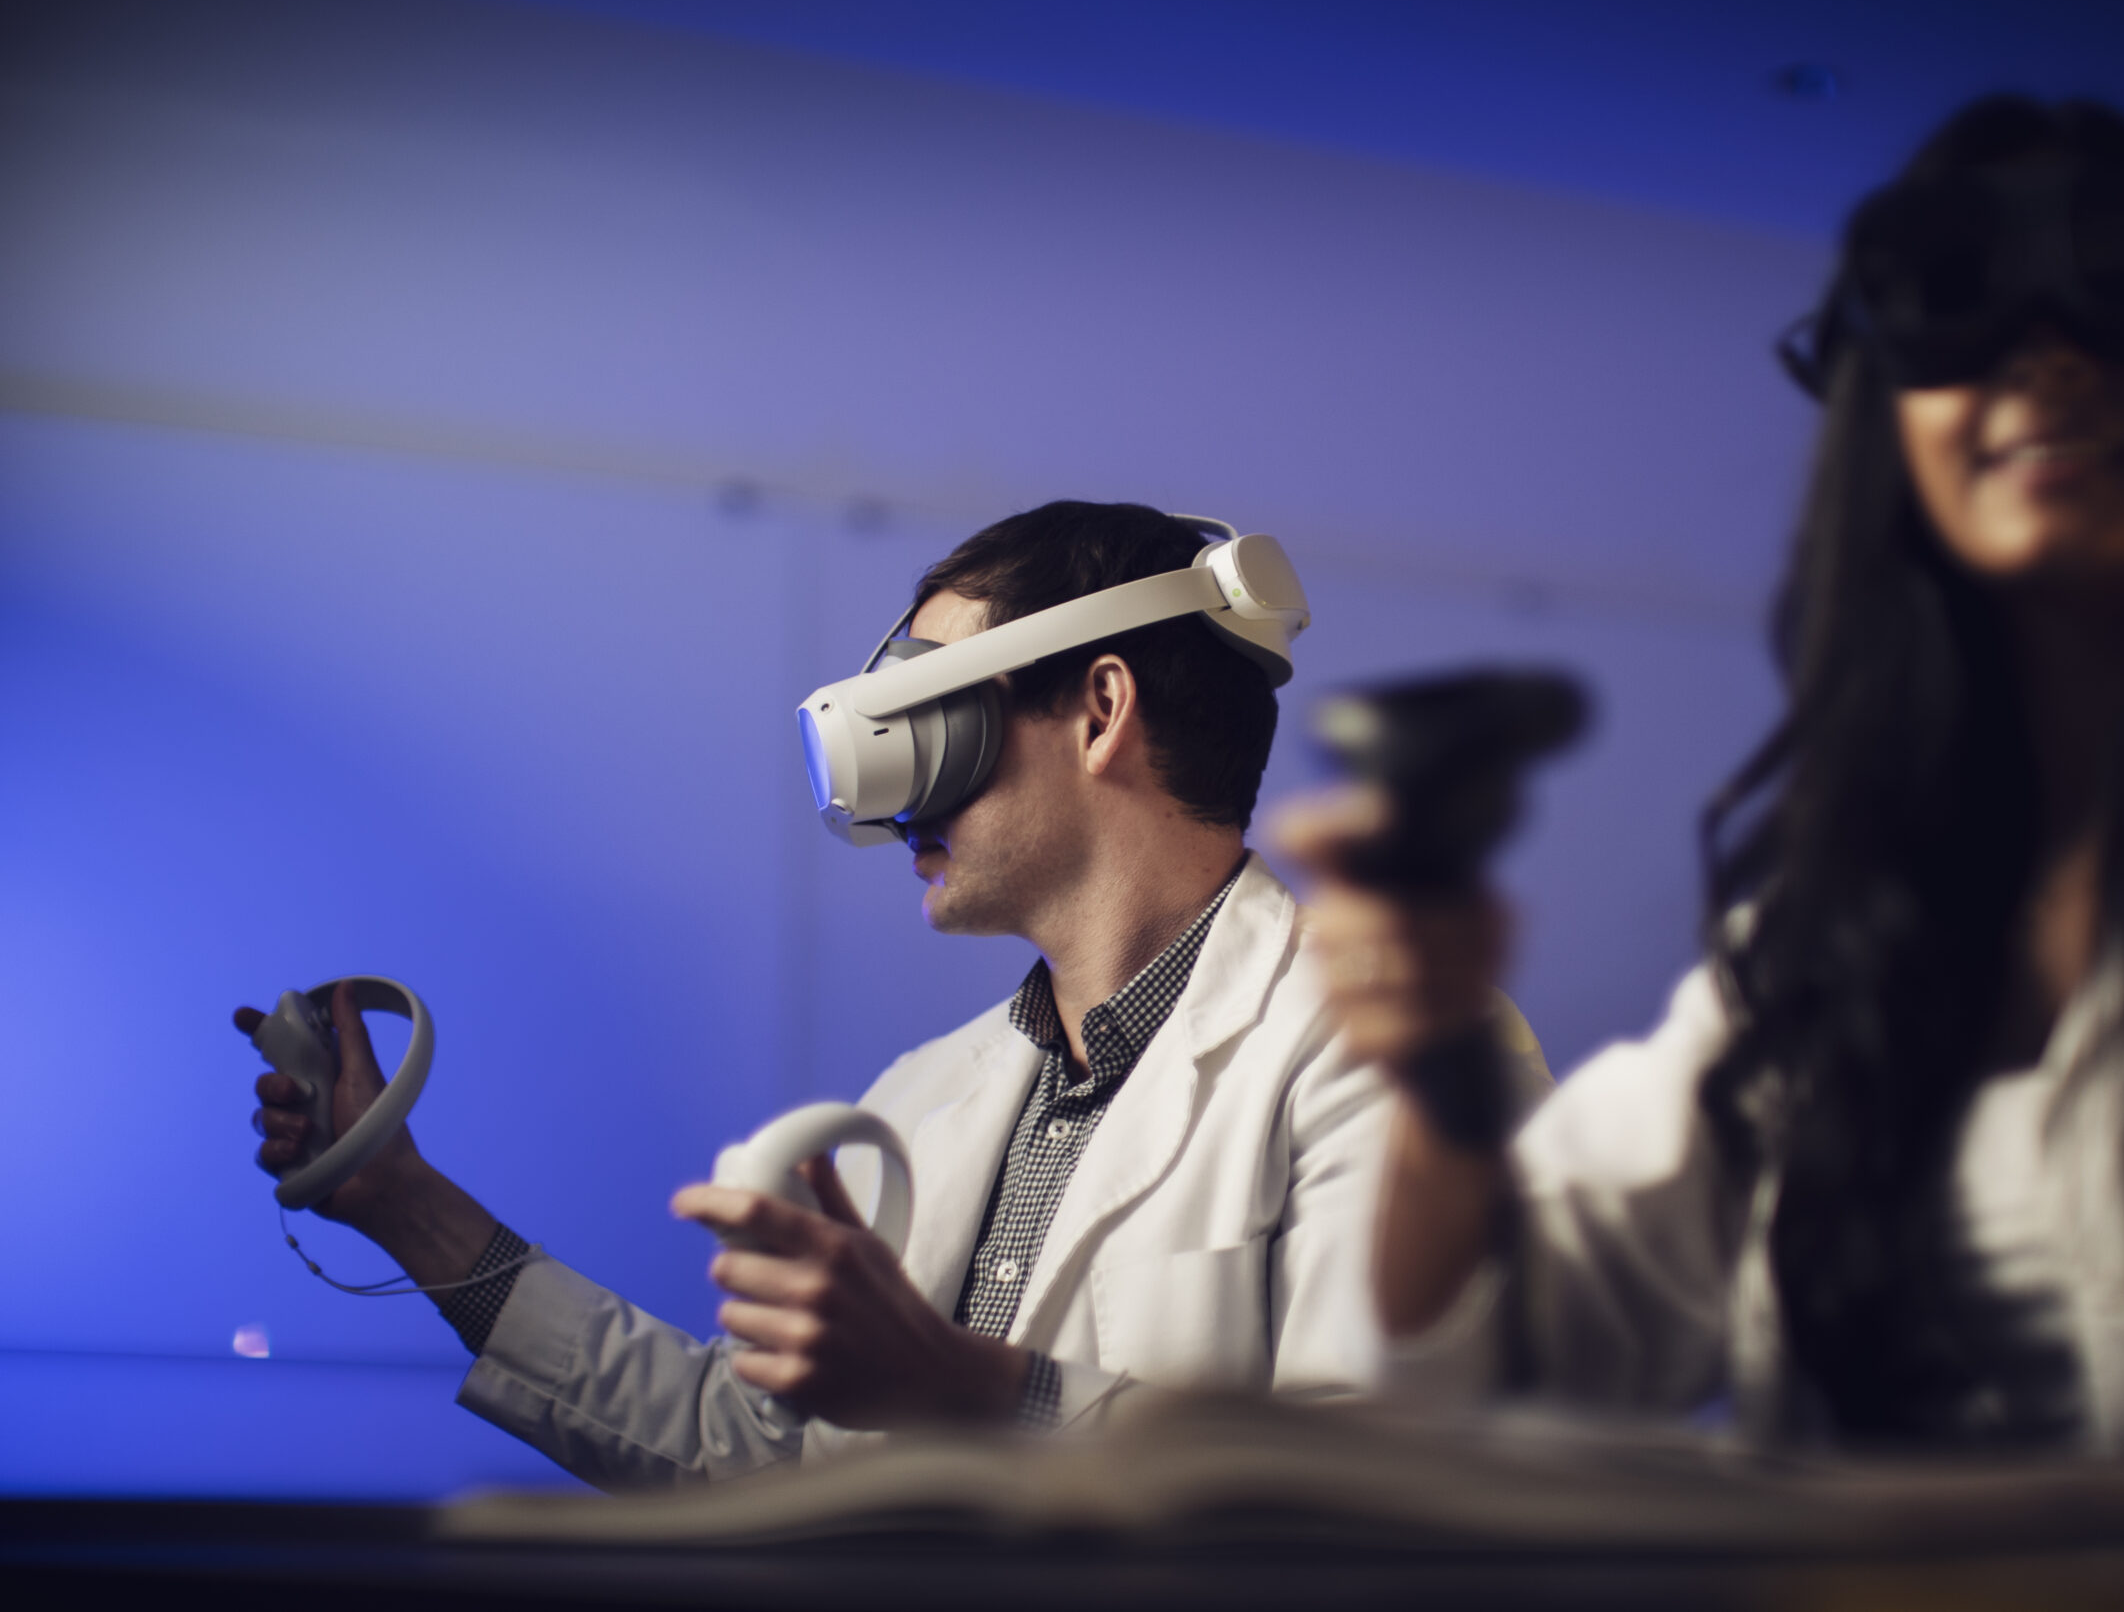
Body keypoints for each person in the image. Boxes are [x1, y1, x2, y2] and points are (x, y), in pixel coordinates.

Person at [1280, 98, 2124, 1490]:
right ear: (1891, 419)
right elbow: (1487, 1362)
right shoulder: (1815, 944)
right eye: (1961, 292)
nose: (2051, 352)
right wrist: (1440, 1086)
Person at [243, 502, 1398, 1486]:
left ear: (1099, 713)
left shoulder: (1385, 1065)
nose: (891, 789)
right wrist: (402, 1201)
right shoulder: (920, 1098)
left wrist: (967, 1389)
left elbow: (1388, 1499)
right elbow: (753, 1452)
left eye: (934, 715)